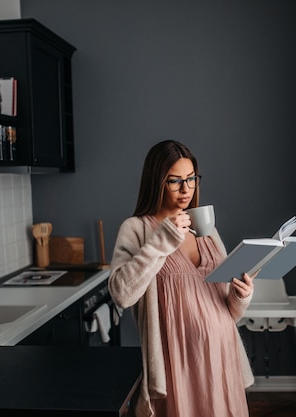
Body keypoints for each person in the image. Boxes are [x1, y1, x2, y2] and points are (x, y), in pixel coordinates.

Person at [108, 140, 256, 417]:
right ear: (156, 182)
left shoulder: (207, 230)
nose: (186, 189)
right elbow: (122, 293)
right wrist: (163, 240)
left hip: (222, 357)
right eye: (175, 181)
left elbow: (226, 310)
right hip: (178, 363)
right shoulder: (137, 229)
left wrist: (240, 296)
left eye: (191, 179)